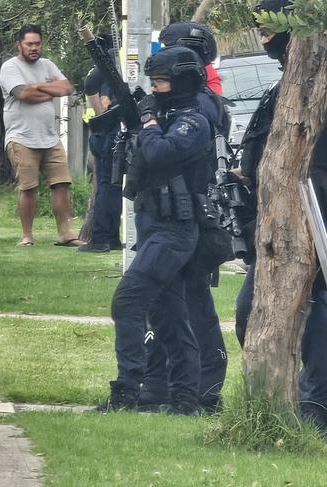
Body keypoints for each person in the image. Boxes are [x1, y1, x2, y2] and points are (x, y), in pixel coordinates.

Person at [235, 0, 327, 430]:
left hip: (315, 209)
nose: (263, 35)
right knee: (249, 310)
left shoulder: (317, 86)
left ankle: (316, 405)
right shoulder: (284, 87)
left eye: (270, 25)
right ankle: (273, 407)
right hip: (276, 220)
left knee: (319, 308)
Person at [105, 46, 211, 415]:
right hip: (155, 229)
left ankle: (127, 391)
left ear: (182, 81)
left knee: (128, 301)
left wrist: (148, 124)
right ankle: (185, 398)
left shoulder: (193, 121)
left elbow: (161, 153)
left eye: (162, 82)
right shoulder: (163, 115)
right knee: (168, 315)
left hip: (175, 231)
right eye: (153, 82)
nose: (156, 88)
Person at [139, 22, 229, 413]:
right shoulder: (190, 99)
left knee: (191, 306)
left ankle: (201, 390)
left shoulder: (200, 104)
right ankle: (159, 385)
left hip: (187, 213)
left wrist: (150, 125)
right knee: (165, 303)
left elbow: (170, 150)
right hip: (166, 211)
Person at [0, 24, 83, 247]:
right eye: (29, 44)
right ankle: (27, 236)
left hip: (49, 137)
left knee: (62, 184)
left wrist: (37, 86)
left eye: (37, 43)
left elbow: (66, 88)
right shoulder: (10, 68)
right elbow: (23, 93)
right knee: (28, 187)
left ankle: (65, 234)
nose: (34, 48)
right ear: (19, 45)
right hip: (22, 138)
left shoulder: (47, 64)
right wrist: (46, 90)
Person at [77, 60, 123, 253]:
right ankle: (111, 237)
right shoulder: (123, 56)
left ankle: (101, 238)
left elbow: (91, 86)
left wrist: (100, 115)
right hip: (115, 130)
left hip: (107, 131)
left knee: (105, 185)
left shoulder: (111, 58)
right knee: (113, 186)